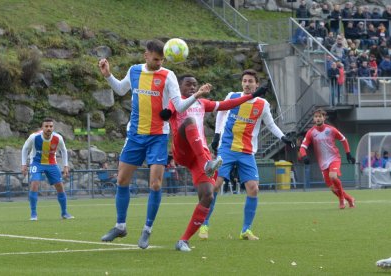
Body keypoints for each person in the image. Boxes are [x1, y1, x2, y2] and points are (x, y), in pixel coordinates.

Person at [98, 39, 210, 249]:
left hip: (158, 136)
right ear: (146, 55)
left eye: (162, 60)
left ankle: (147, 230)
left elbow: (178, 105)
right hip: (135, 135)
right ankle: (120, 226)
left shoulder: (168, 76)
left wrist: (196, 95)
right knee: (122, 180)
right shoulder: (134, 71)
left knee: (156, 184)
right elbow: (121, 90)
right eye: (156, 59)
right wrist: (108, 76)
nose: (159, 63)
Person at [170, 73, 266, 252]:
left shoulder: (202, 104)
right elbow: (166, 113)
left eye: (195, 84)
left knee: (207, 195)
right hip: (183, 149)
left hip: (200, 154)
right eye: (188, 84)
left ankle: (183, 240)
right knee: (189, 121)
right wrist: (165, 114)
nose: (192, 87)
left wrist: (252, 96)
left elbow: (226, 105)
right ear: (178, 87)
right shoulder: (175, 102)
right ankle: (207, 163)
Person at [198, 69, 295, 241]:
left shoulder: (262, 104)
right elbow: (221, 113)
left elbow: (270, 124)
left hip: (247, 151)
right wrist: (218, 136)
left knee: (253, 188)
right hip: (227, 148)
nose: (247, 84)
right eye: (244, 81)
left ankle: (246, 230)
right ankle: (203, 224)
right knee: (215, 185)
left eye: (251, 81)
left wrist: (283, 137)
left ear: (256, 84)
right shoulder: (232, 96)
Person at [299, 108, 356, 209]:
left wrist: (348, 154)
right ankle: (350, 199)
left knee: (333, 176)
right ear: (313, 119)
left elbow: (343, 139)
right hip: (323, 162)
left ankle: (342, 200)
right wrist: (304, 156)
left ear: (324, 118)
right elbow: (303, 147)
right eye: (316, 117)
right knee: (332, 188)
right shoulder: (311, 132)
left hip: (334, 158)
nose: (318, 118)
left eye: (320, 116)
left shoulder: (331, 129)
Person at [21, 118, 74, 221]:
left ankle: (64, 213)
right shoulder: (34, 137)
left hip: (51, 164)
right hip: (37, 162)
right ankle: (33, 214)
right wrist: (24, 164)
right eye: (46, 126)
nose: (48, 128)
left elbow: (63, 150)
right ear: (42, 127)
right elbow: (25, 148)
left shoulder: (58, 138)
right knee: (34, 183)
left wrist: (65, 165)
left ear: (53, 128)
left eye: (50, 126)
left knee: (60, 186)